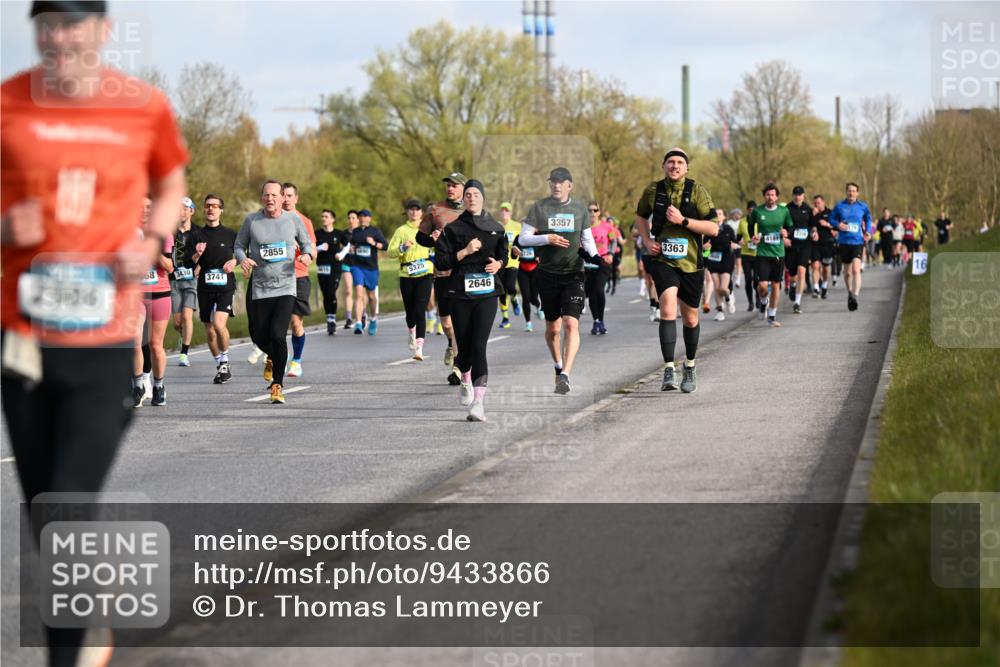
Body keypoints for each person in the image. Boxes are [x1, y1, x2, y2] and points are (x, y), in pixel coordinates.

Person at [1, 2, 189, 663]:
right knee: (44, 509)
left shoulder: (142, 107)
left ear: (102, 30)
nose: (59, 35)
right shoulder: (7, 104)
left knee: (67, 500)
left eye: (72, 22)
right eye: (47, 22)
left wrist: (153, 239)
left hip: (107, 338)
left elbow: (170, 183)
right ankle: (83, 629)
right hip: (23, 340)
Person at [633, 148, 718, 393]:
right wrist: (648, 242)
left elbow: (713, 229)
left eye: (680, 162)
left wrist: (683, 220)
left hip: (691, 262)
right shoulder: (653, 190)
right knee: (667, 307)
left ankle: (689, 366)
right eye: (671, 162)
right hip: (664, 261)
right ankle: (669, 368)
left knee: (691, 317)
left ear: (686, 168)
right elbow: (640, 216)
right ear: (664, 165)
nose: (675, 166)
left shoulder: (698, 191)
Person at [521, 167, 606, 395]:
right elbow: (523, 238)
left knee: (571, 323)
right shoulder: (539, 207)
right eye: (553, 182)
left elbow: (587, 240)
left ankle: (566, 375)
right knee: (553, 329)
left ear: (570, 185)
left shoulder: (580, 208)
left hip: (573, 274)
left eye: (561, 182)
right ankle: (558, 366)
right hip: (547, 274)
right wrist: (546, 238)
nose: (556, 186)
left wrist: (598, 258)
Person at [432, 179, 507, 421]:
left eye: (476, 194)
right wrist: (464, 252)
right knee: (463, 348)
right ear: (463, 200)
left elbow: (503, 255)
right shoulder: (453, 229)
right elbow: (441, 262)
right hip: (460, 294)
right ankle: (465, 376)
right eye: (468, 194)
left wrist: (499, 264)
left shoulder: (496, 228)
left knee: (479, 346)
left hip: (487, 294)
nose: (471, 197)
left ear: (483, 198)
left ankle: (478, 404)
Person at [235, 180, 314, 403]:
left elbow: (307, 244)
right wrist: (243, 259)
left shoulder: (293, 220)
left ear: (282, 198)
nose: (270, 199)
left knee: (278, 335)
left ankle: (277, 385)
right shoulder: (252, 221)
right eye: (266, 195)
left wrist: (307, 255)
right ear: (262, 198)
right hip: (259, 287)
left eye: (274, 195)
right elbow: (239, 246)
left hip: (285, 287)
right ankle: (274, 356)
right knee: (258, 335)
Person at [417, 172, 466, 384]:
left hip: (465, 272)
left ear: (463, 188)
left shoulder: (472, 210)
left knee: (460, 320)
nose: (450, 188)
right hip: (443, 272)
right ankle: (450, 342)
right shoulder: (435, 210)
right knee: (446, 322)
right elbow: (420, 237)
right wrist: (431, 239)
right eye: (448, 185)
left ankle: (458, 366)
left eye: (454, 185)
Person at [191, 193, 236, 384]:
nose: (211, 208)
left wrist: (234, 261)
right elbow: (189, 263)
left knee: (219, 325)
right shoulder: (196, 235)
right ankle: (220, 363)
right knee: (209, 331)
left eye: (215, 206)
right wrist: (197, 255)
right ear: (204, 209)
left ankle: (225, 361)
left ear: (221, 210)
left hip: (225, 285)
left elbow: (242, 255)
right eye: (208, 205)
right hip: (205, 287)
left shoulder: (231, 234)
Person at [137, 201, 174, 405]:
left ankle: (159, 385)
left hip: (159, 293)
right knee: (134, 342)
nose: (143, 211)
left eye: (149, 208)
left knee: (154, 344)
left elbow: (169, 267)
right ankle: (138, 386)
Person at [387, 199, 434, 359]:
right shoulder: (401, 231)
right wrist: (402, 247)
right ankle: (411, 331)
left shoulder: (427, 228)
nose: (414, 212)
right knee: (410, 312)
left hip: (425, 273)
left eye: (417, 209)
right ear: (407, 212)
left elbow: (438, 246)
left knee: (420, 310)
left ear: (422, 212)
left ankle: (419, 349)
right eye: (411, 209)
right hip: (406, 274)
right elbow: (390, 252)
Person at [281, 182, 316, 377]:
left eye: (289, 195)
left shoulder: (304, 221)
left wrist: (307, 255)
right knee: (277, 323)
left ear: (296, 198)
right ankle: (280, 354)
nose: (286, 199)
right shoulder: (272, 220)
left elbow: (312, 250)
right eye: (283, 195)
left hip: (299, 276)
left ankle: (296, 361)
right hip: (277, 278)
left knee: (295, 322)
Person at [749, 183, 794, 327]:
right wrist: (753, 236)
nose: (770, 197)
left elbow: (790, 227)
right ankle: (763, 302)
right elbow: (751, 226)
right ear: (764, 196)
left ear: (777, 196)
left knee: (775, 286)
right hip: (762, 253)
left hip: (778, 254)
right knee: (762, 286)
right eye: (768, 195)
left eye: (773, 195)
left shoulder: (784, 211)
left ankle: (772, 315)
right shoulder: (757, 211)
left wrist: (786, 233)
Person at [828, 182, 873, 312]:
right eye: (849, 191)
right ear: (846, 192)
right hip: (844, 242)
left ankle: (855, 295)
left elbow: (868, 219)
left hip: (858, 241)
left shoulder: (863, 206)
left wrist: (868, 231)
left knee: (855, 270)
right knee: (847, 272)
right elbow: (831, 219)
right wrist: (838, 225)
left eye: (853, 191)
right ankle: (850, 293)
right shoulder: (839, 206)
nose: (851, 193)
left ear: (857, 193)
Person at [171, 196, 200, 366]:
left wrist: (200, 266)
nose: (181, 212)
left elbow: (206, 256)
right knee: (177, 322)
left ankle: (184, 354)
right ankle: (183, 336)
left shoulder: (198, 232)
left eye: (185, 208)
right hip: (174, 280)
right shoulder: (171, 232)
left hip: (191, 280)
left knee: (187, 316)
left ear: (191, 211)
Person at [349, 208, 386, 335]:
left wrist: (374, 243)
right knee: (359, 294)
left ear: (369, 218)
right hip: (358, 267)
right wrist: (352, 249)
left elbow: (385, 246)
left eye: (365, 216)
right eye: (360, 216)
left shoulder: (375, 231)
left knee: (371, 296)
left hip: (371, 268)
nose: (362, 218)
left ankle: (373, 319)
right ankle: (358, 323)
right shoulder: (355, 232)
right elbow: (352, 245)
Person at [315, 209, 350, 334]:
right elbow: (310, 249)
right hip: (322, 268)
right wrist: (319, 247)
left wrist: (341, 254)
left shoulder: (339, 234)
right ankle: (329, 319)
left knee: (331, 291)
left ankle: (332, 319)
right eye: (322, 216)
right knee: (326, 294)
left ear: (332, 219)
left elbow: (347, 245)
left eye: (326, 216)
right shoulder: (317, 234)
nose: (323, 218)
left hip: (335, 268)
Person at [584, 201, 616, 334]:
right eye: (590, 210)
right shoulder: (584, 228)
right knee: (591, 294)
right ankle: (596, 321)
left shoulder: (607, 226)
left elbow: (613, 240)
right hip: (588, 263)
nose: (592, 213)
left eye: (595, 210)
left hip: (603, 261)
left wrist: (611, 253)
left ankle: (601, 320)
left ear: (599, 212)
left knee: (599, 289)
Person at [705, 208, 738, 320]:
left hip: (726, 259)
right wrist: (705, 246)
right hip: (713, 259)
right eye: (716, 214)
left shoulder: (728, 229)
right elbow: (704, 243)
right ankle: (720, 311)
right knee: (716, 287)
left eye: (720, 214)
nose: (718, 215)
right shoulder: (710, 228)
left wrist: (736, 244)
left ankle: (729, 299)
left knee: (723, 288)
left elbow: (735, 241)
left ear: (724, 217)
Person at [786, 185, 812, 314]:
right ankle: (792, 285)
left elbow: (813, 225)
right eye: (795, 195)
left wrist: (815, 232)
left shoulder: (808, 209)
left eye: (800, 194)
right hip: (791, 245)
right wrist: (784, 238)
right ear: (793, 196)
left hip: (805, 245)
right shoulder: (787, 209)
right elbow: (782, 225)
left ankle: (797, 302)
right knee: (792, 275)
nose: (797, 197)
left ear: (803, 196)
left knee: (802, 270)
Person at [496, 201, 521, 329]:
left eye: (507, 210)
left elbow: (522, 241)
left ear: (510, 213)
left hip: (513, 262)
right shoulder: (497, 227)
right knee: (501, 292)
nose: (504, 212)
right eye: (502, 210)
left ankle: (515, 299)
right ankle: (505, 318)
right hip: (500, 263)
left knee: (510, 286)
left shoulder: (517, 226)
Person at [514, 217, 541, 332]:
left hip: (535, 269)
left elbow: (544, 252)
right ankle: (528, 323)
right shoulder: (518, 238)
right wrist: (515, 253)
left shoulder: (537, 237)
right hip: (522, 269)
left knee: (533, 298)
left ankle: (539, 306)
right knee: (526, 297)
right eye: (523, 224)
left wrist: (540, 257)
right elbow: (513, 256)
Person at [808, 194, 834, 298]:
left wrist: (827, 224)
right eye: (815, 203)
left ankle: (824, 286)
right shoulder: (812, 213)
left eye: (818, 203)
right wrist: (813, 231)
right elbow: (809, 226)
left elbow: (836, 226)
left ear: (823, 202)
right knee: (815, 266)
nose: (816, 205)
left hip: (827, 243)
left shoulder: (830, 213)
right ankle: (815, 288)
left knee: (826, 268)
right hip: (815, 244)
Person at [340, 209, 361, 330]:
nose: (351, 220)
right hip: (347, 264)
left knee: (359, 292)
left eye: (353, 218)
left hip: (360, 265)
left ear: (358, 220)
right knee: (348, 290)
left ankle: (362, 314)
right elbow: (341, 247)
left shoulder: (362, 233)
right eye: (349, 218)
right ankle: (348, 318)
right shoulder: (344, 234)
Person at [738, 201, 759, 312]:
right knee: (748, 279)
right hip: (746, 253)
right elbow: (738, 236)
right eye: (750, 211)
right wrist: (739, 241)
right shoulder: (742, 222)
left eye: (753, 211)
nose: (751, 213)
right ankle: (750, 302)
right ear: (747, 210)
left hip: (757, 254)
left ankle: (758, 298)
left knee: (756, 279)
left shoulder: (759, 221)